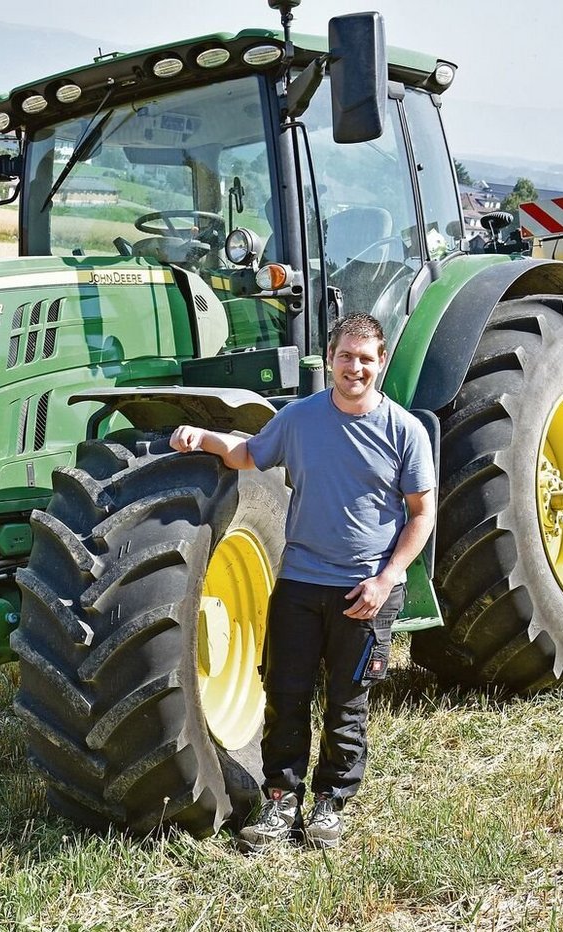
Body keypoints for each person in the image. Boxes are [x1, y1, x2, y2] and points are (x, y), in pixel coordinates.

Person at [170, 313, 435, 853]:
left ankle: (331, 804)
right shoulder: (301, 418)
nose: (354, 367)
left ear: (380, 362)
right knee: (284, 697)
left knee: (346, 704)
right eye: (345, 356)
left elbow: (422, 514)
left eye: (365, 358)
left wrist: (386, 580)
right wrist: (205, 438)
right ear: (329, 359)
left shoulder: (404, 431)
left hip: (366, 593)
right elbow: (248, 454)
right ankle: (281, 801)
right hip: (299, 584)